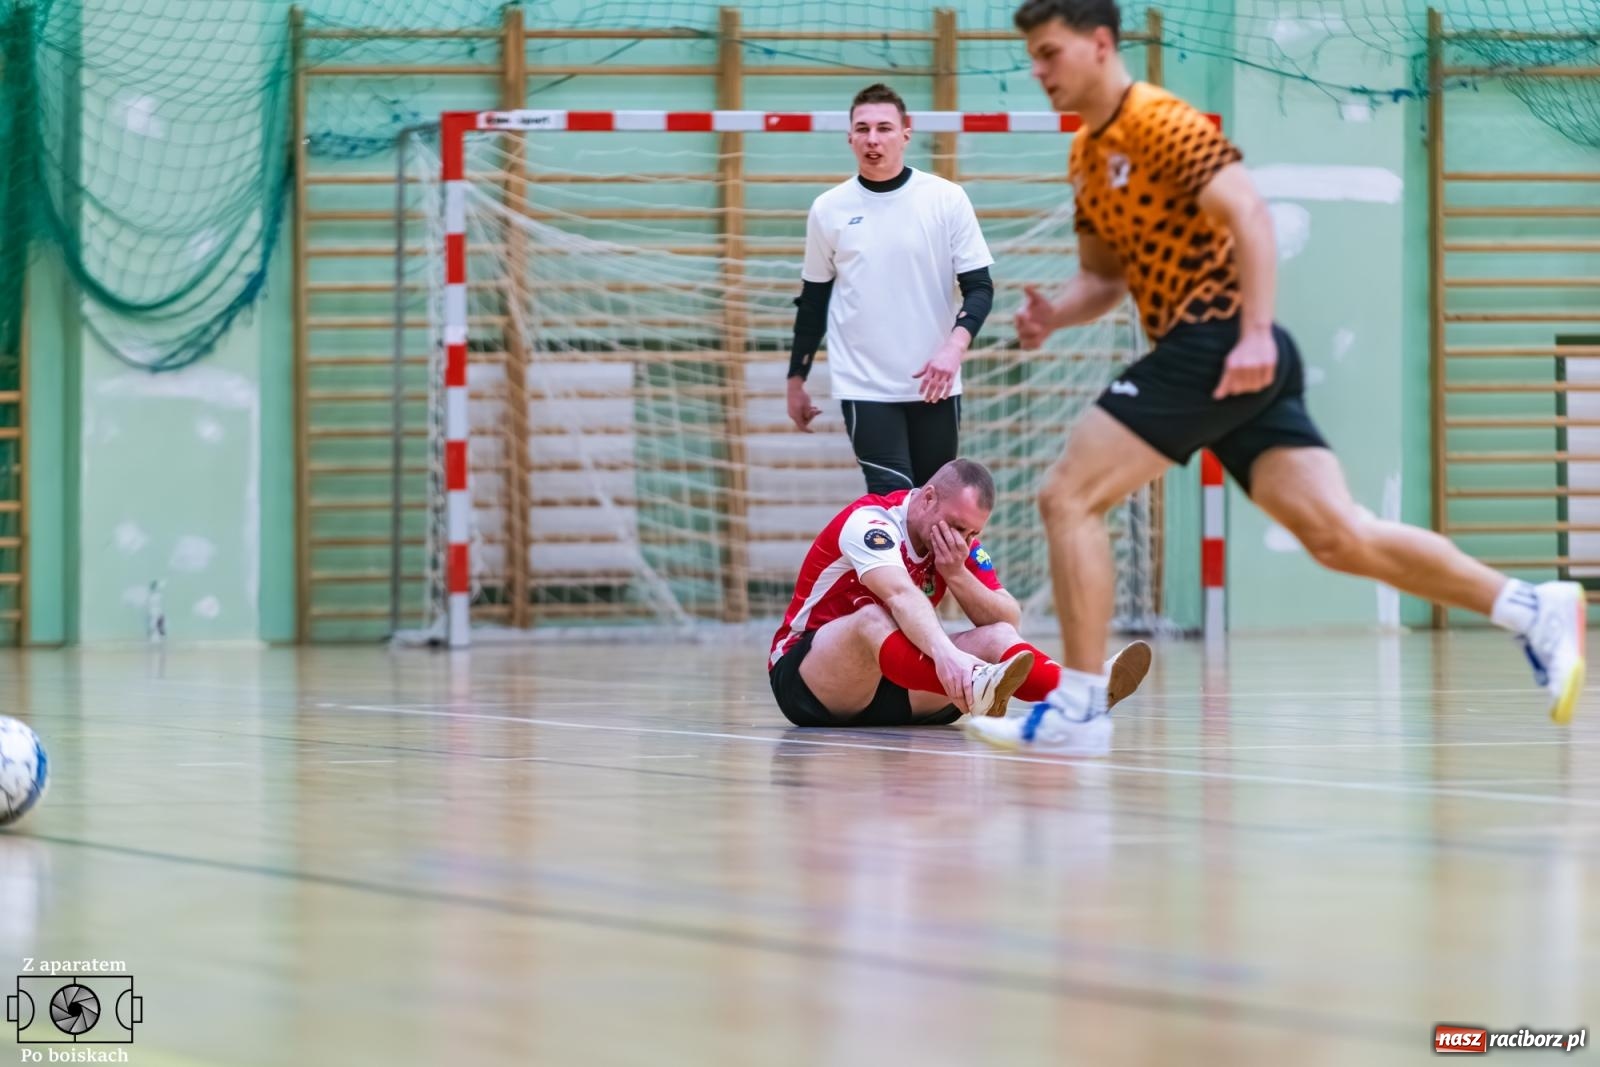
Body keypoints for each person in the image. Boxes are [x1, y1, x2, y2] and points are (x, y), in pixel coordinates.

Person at [967, 0, 1587, 753]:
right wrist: (1053, 316)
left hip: (1218, 342)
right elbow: (1104, 279)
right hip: (1221, 358)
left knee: (1067, 494)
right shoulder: (1087, 156)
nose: (1037, 70)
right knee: (1339, 535)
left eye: (1048, 51)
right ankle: (1529, 606)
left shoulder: (1162, 121)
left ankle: (1080, 708)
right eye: (1033, 55)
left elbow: (1251, 215)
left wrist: (1254, 332)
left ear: (1100, 45)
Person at [769, 457, 1152, 727]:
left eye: (972, 532)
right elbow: (901, 595)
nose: (962, 539)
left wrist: (957, 574)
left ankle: (1082, 692)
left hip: (899, 684)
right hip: (811, 681)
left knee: (998, 635)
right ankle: (974, 684)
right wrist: (951, 658)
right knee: (874, 618)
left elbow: (1008, 620)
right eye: (956, 526)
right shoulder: (872, 523)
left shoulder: (958, 543)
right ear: (928, 498)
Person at [786, 83, 998, 495]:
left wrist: (954, 347)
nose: (872, 139)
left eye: (884, 128)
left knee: (935, 506)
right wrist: (796, 379)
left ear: (905, 133)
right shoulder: (829, 209)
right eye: (862, 129)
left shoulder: (946, 199)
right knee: (892, 498)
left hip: (935, 384)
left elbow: (979, 287)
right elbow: (813, 302)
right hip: (864, 384)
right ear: (849, 137)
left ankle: (948, 564)